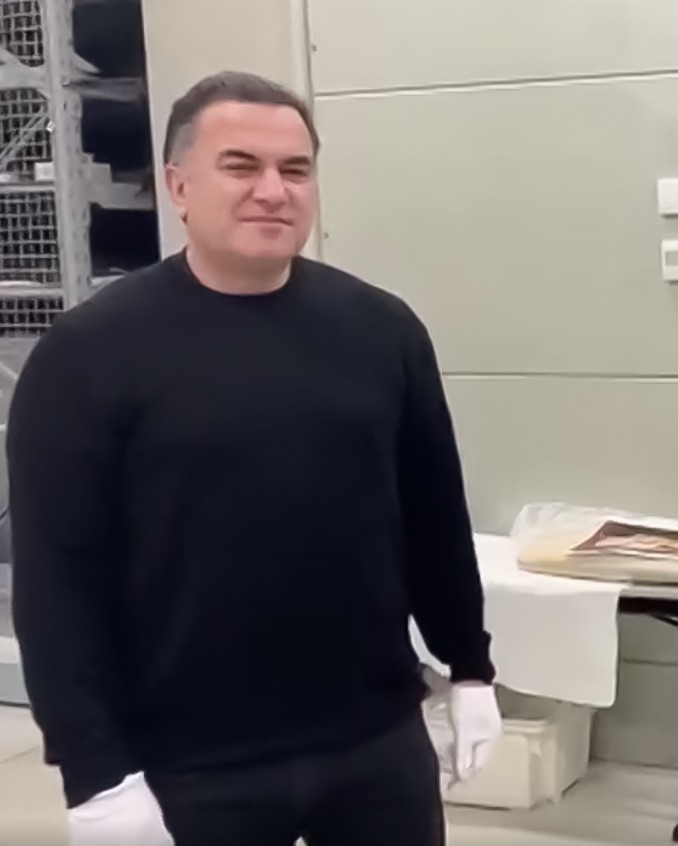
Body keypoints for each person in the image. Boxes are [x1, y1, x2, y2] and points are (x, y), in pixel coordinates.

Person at [6, 70, 501, 846]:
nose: (272, 189)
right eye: (241, 166)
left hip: (373, 745)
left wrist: (469, 666)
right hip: (189, 766)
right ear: (178, 185)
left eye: (294, 169)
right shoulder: (88, 357)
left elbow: (433, 515)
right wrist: (96, 775)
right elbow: (57, 582)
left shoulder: (380, 330)